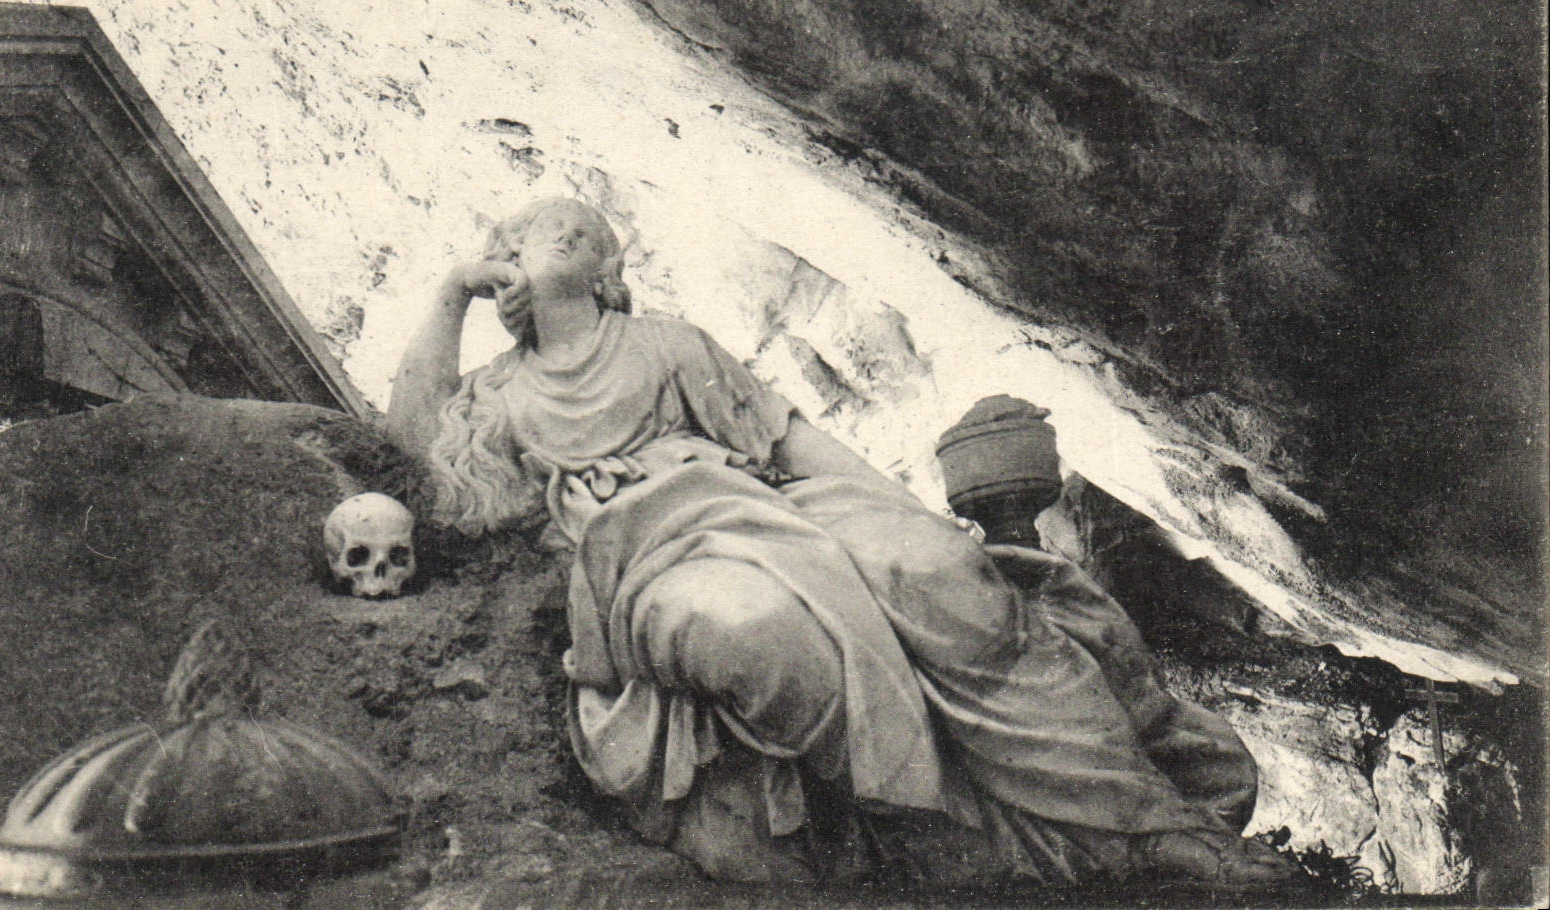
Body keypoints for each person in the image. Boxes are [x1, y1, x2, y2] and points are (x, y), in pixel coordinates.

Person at [387, 197, 1295, 891]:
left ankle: (1144, 824)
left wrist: (912, 515)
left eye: (576, 233)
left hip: (770, 503)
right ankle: (931, 834)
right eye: (529, 235)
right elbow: (410, 459)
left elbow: (789, 441)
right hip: (642, 562)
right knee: (753, 632)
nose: (556, 240)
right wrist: (444, 292)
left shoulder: (668, 344)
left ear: (604, 267)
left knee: (936, 569)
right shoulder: (498, 393)